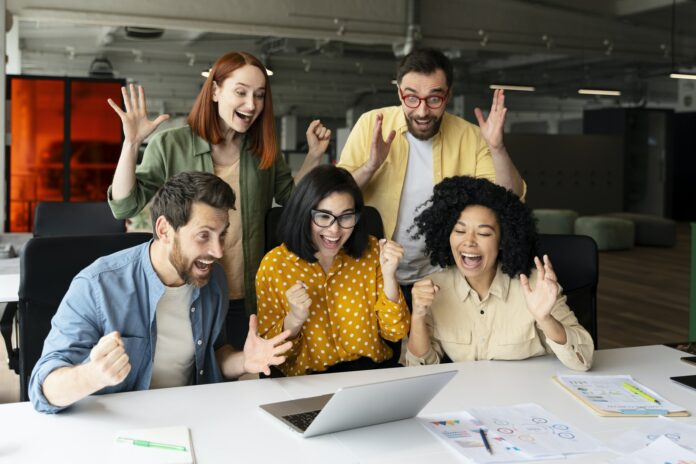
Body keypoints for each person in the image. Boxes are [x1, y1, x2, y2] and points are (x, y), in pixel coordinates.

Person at [106, 51, 331, 343]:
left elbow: (292, 199)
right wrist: (132, 144)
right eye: (241, 92)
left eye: (260, 95)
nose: (252, 105)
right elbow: (125, 205)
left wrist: (313, 155)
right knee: (194, 379)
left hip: (246, 295)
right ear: (214, 91)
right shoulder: (171, 143)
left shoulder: (262, 151)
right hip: (187, 293)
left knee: (243, 376)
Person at [30, 172, 292, 413]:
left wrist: (245, 361)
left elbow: (214, 353)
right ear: (164, 230)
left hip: (192, 416)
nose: (218, 251)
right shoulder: (97, 285)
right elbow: (42, 389)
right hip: (121, 427)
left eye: (221, 235)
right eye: (204, 236)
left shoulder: (213, 279)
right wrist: (92, 375)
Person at [338, 48, 525, 303]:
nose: (422, 111)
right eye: (412, 98)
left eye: (434, 99)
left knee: (429, 343)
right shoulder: (371, 124)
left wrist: (497, 148)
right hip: (372, 272)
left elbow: (510, 198)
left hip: (441, 276)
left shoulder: (470, 137)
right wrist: (370, 166)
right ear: (399, 94)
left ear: (447, 95)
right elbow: (335, 198)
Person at [405, 176, 593, 371]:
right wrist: (418, 315)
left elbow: (584, 359)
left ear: (503, 241)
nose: (469, 241)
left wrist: (545, 319)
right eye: (459, 231)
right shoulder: (433, 288)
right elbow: (418, 369)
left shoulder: (536, 284)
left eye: (484, 233)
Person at [256, 165, 410, 376]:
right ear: (303, 214)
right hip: (307, 383)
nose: (335, 230)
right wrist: (294, 319)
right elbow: (271, 357)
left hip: (370, 375)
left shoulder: (374, 252)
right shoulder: (274, 265)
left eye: (346, 217)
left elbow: (395, 333)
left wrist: (390, 277)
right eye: (323, 217)